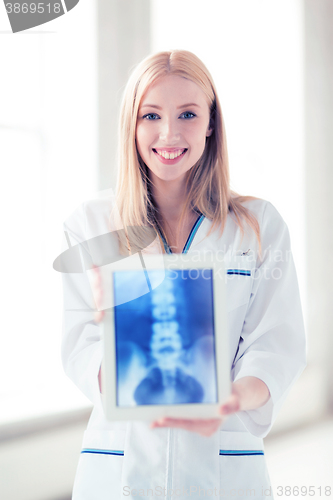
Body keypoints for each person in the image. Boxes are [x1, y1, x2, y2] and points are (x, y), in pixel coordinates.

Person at [60, 50, 307, 499]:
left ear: (212, 123)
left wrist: (233, 399)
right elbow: (80, 346)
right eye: (150, 115)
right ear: (131, 126)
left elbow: (275, 344)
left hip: (225, 459)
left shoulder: (258, 225)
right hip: (120, 461)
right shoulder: (92, 224)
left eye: (188, 114)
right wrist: (119, 345)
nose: (169, 133)